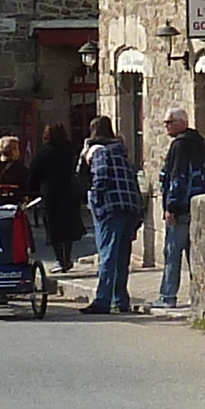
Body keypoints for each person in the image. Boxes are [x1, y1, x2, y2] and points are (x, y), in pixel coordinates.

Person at [80, 115, 144, 314]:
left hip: (110, 208)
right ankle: (120, 299)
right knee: (122, 257)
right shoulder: (121, 154)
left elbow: (100, 178)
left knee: (107, 255)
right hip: (130, 207)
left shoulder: (100, 153)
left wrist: (97, 203)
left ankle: (102, 300)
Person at [154, 110, 205, 311]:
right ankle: (199, 296)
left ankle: (168, 295)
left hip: (181, 210)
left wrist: (172, 207)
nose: (166, 126)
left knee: (172, 252)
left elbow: (178, 178)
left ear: (181, 123)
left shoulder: (180, 145)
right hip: (195, 205)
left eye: (169, 122)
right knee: (192, 254)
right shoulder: (198, 143)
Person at [33, 120, 83, 272]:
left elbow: (35, 172)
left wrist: (32, 192)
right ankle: (67, 257)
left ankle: (60, 260)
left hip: (51, 193)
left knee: (53, 228)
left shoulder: (43, 152)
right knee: (68, 225)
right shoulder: (70, 150)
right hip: (69, 190)